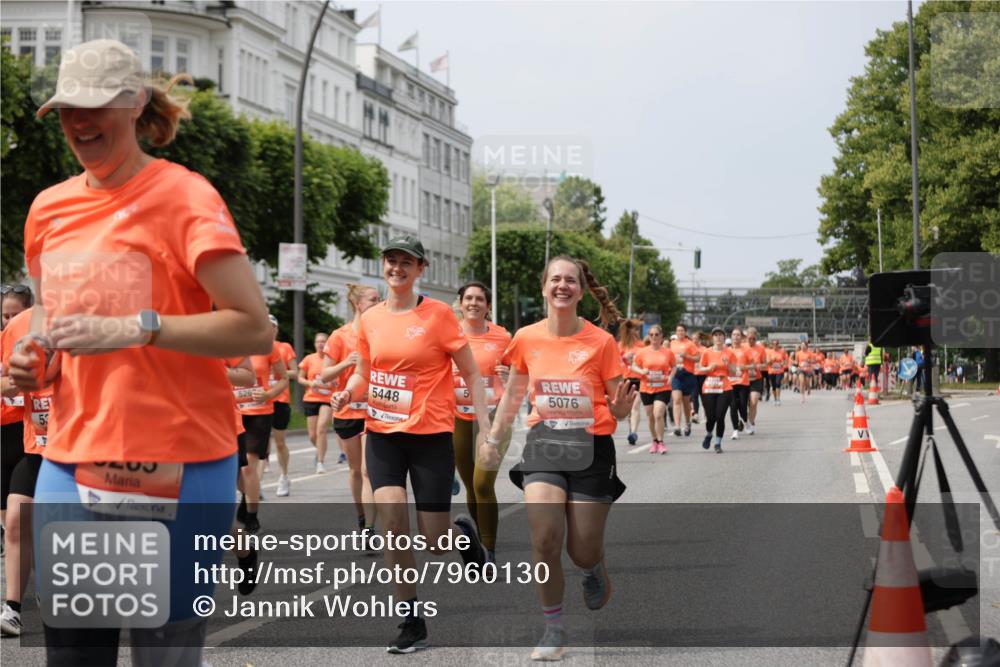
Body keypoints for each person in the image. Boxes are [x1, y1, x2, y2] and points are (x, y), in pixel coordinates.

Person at [6, 39, 273, 665]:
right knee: (73, 652)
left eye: (93, 104)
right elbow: (52, 322)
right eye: (67, 107)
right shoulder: (49, 208)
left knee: (165, 649)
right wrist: (34, 362)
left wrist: (141, 328)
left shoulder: (186, 197)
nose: (78, 121)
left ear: (134, 104)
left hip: (180, 466)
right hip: (72, 463)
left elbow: (253, 328)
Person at [329, 234, 491, 654]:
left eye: (406, 261)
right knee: (394, 527)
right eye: (390, 260)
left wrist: (486, 425)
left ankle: (462, 535)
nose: (396, 267)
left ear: (421, 269)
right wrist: (350, 392)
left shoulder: (438, 315)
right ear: (382, 265)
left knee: (435, 541)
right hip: (382, 435)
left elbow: (472, 374)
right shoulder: (370, 320)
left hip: (430, 436)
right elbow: (365, 373)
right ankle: (410, 618)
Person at [483, 255, 634, 662]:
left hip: (591, 447)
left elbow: (619, 406)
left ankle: (591, 569)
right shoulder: (527, 337)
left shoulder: (601, 342)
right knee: (545, 539)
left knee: (582, 549)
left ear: (581, 291)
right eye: (555, 279)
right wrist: (493, 438)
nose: (562, 285)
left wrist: (620, 410)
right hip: (545, 443)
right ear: (543, 287)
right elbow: (514, 394)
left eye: (570, 280)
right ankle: (553, 628)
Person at [448, 281, 512, 563]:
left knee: (483, 483)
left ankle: (489, 548)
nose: (474, 303)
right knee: (471, 484)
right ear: (460, 303)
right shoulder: (448, 334)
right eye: (469, 298)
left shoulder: (502, 337)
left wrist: (510, 378)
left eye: (480, 299)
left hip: (494, 417)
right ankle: (478, 547)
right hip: (458, 416)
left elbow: (520, 372)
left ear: (488, 306)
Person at [0, 302, 46, 637]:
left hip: (82, 445)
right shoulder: (20, 325)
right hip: (36, 443)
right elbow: (5, 381)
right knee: (16, 518)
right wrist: (18, 382)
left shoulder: (95, 319)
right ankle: (13, 609)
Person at [321, 283, 381, 534]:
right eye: (373, 299)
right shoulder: (339, 336)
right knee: (356, 471)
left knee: (368, 471)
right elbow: (324, 375)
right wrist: (346, 362)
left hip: (374, 411)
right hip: (346, 412)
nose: (379, 303)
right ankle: (360, 515)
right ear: (358, 304)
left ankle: (369, 526)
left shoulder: (381, 332)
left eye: (380, 299)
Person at [232, 330, 287, 534]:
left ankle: (252, 515)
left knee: (249, 467)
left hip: (259, 412)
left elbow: (283, 379)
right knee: (236, 470)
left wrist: (269, 394)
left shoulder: (266, 345)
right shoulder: (224, 343)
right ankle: (247, 501)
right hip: (232, 412)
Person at [631, 325, 676, 454]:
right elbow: (633, 366)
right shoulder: (642, 352)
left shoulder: (667, 352)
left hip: (663, 387)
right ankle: (654, 441)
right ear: (648, 336)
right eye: (651, 335)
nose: (654, 337)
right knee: (650, 417)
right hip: (646, 388)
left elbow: (674, 367)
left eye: (657, 334)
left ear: (661, 336)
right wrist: (642, 371)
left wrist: (671, 377)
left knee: (658, 414)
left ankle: (661, 442)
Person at [268, 315, 298, 497]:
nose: (269, 329)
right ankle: (255, 484)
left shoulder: (283, 347)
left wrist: (278, 370)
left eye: (272, 326)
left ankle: (284, 476)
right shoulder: (254, 347)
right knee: (259, 445)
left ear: (276, 329)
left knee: (279, 443)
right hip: (260, 401)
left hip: (280, 399)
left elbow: (295, 372)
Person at [696, 327, 739, 453]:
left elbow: (733, 372)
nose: (718, 337)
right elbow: (700, 369)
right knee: (711, 417)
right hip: (709, 387)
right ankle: (709, 434)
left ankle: (718, 443)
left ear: (724, 338)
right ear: (712, 338)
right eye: (716, 335)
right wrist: (709, 367)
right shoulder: (707, 352)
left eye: (721, 335)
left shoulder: (729, 353)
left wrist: (728, 364)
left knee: (720, 416)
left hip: (724, 387)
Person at [300, 332, 335, 473]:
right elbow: (299, 377)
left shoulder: (332, 359)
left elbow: (341, 375)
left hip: (327, 399)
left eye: (323, 341)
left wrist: (334, 381)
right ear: (314, 344)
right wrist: (310, 382)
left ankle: (320, 462)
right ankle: (319, 449)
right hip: (311, 398)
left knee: (321, 429)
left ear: (328, 344)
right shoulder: (309, 359)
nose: (320, 344)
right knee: (312, 435)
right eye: (318, 341)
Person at [668, 323, 700, 437]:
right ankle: (677, 426)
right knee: (676, 399)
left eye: (682, 330)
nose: (680, 332)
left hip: (687, 375)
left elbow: (697, 358)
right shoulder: (672, 344)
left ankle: (687, 423)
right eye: (678, 331)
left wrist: (687, 356)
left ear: (685, 332)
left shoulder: (690, 344)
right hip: (676, 375)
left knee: (686, 402)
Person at [616, 319, 644, 445]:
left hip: (639, 379)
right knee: (629, 409)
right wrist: (623, 358)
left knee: (635, 406)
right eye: (633, 329)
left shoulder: (642, 345)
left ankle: (633, 432)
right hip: (625, 379)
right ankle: (631, 430)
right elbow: (614, 363)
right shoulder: (620, 345)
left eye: (637, 329)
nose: (636, 332)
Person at [743, 327, 767, 434]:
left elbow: (765, 364)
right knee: (744, 404)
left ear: (756, 337)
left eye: (753, 338)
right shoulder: (742, 347)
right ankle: (746, 420)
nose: (751, 340)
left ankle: (750, 423)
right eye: (749, 338)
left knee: (753, 402)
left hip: (756, 379)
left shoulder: (761, 349)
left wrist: (757, 366)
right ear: (746, 337)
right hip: (743, 379)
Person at [765, 340, 787, 406]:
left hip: (779, 371)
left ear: (778, 344)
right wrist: (772, 360)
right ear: (772, 345)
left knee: (778, 384)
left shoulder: (782, 352)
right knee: (773, 386)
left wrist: (782, 363)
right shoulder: (769, 352)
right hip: (771, 371)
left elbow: (785, 360)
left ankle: (778, 399)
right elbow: (767, 362)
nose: (775, 345)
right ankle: (775, 399)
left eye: (776, 344)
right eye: (774, 344)